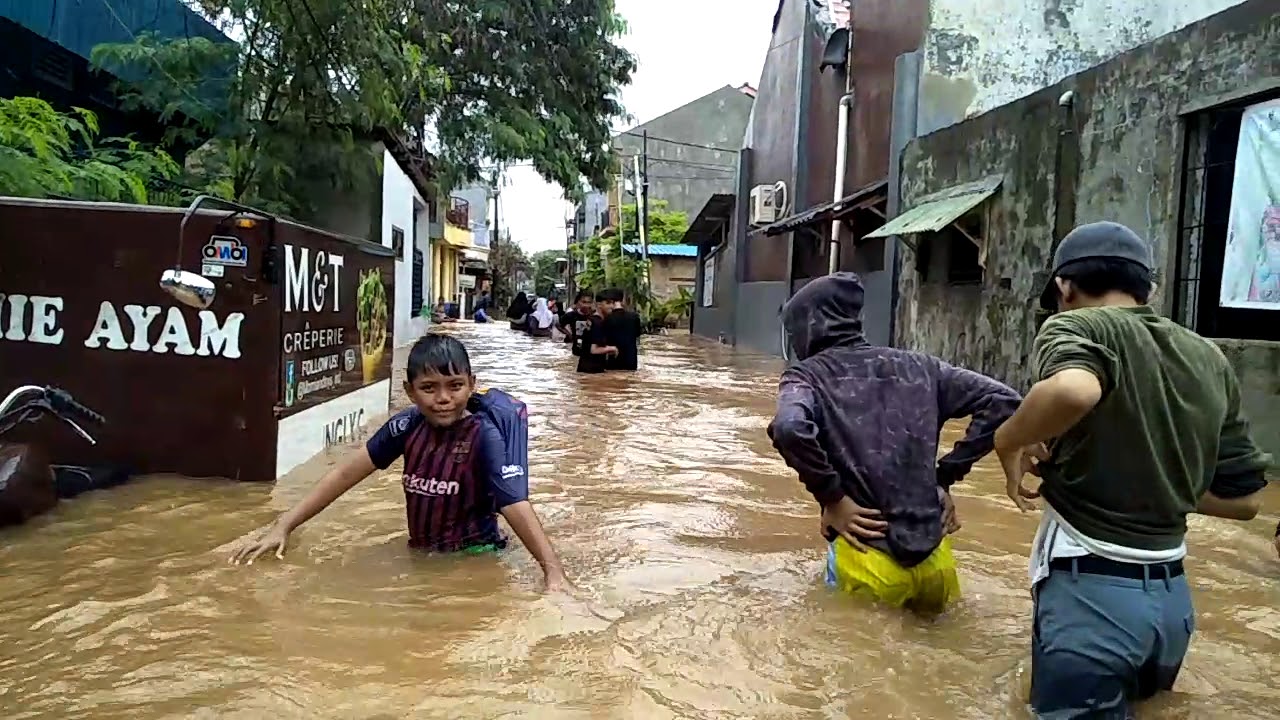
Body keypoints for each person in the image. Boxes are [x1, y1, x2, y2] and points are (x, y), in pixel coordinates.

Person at [992, 221, 1271, 717]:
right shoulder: (1208, 355)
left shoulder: (1073, 325)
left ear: (1064, 287)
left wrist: (1007, 438)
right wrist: (1161, 472)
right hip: (1171, 609)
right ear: (1151, 290)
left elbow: (1075, 390)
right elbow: (1248, 502)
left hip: (1090, 599)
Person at [229, 333, 569, 591]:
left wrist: (553, 574)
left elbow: (514, 504)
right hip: (420, 552)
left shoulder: (485, 437)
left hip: (475, 557)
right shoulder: (405, 427)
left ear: (471, 385)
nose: (443, 398)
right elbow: (346, 473)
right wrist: (284, 525)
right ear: (409, 391)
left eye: (455, 386)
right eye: (429, 388)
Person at [767, 272, 1021, 614]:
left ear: (808, 326)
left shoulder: (806, 377)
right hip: (936, 560)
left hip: (868, 562)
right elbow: (1004, 400)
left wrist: (833, 498)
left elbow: (789, 427)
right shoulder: (922, 367)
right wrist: (944, 477)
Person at [601, 287, 644, 372]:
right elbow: (638, 335)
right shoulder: (634, 317)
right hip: (631, 360)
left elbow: (602, 340)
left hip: (613, 360)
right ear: (622, 299)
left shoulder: (606, 318)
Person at [576, 291, 617, 374]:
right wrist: (611, 348)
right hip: (592, 371)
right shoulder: (598, 323)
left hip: (586, 369)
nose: (612, 306)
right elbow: (593, 350)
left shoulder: (593, 319)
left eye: (613, 303)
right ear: (599, 304)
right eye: (608, 303)